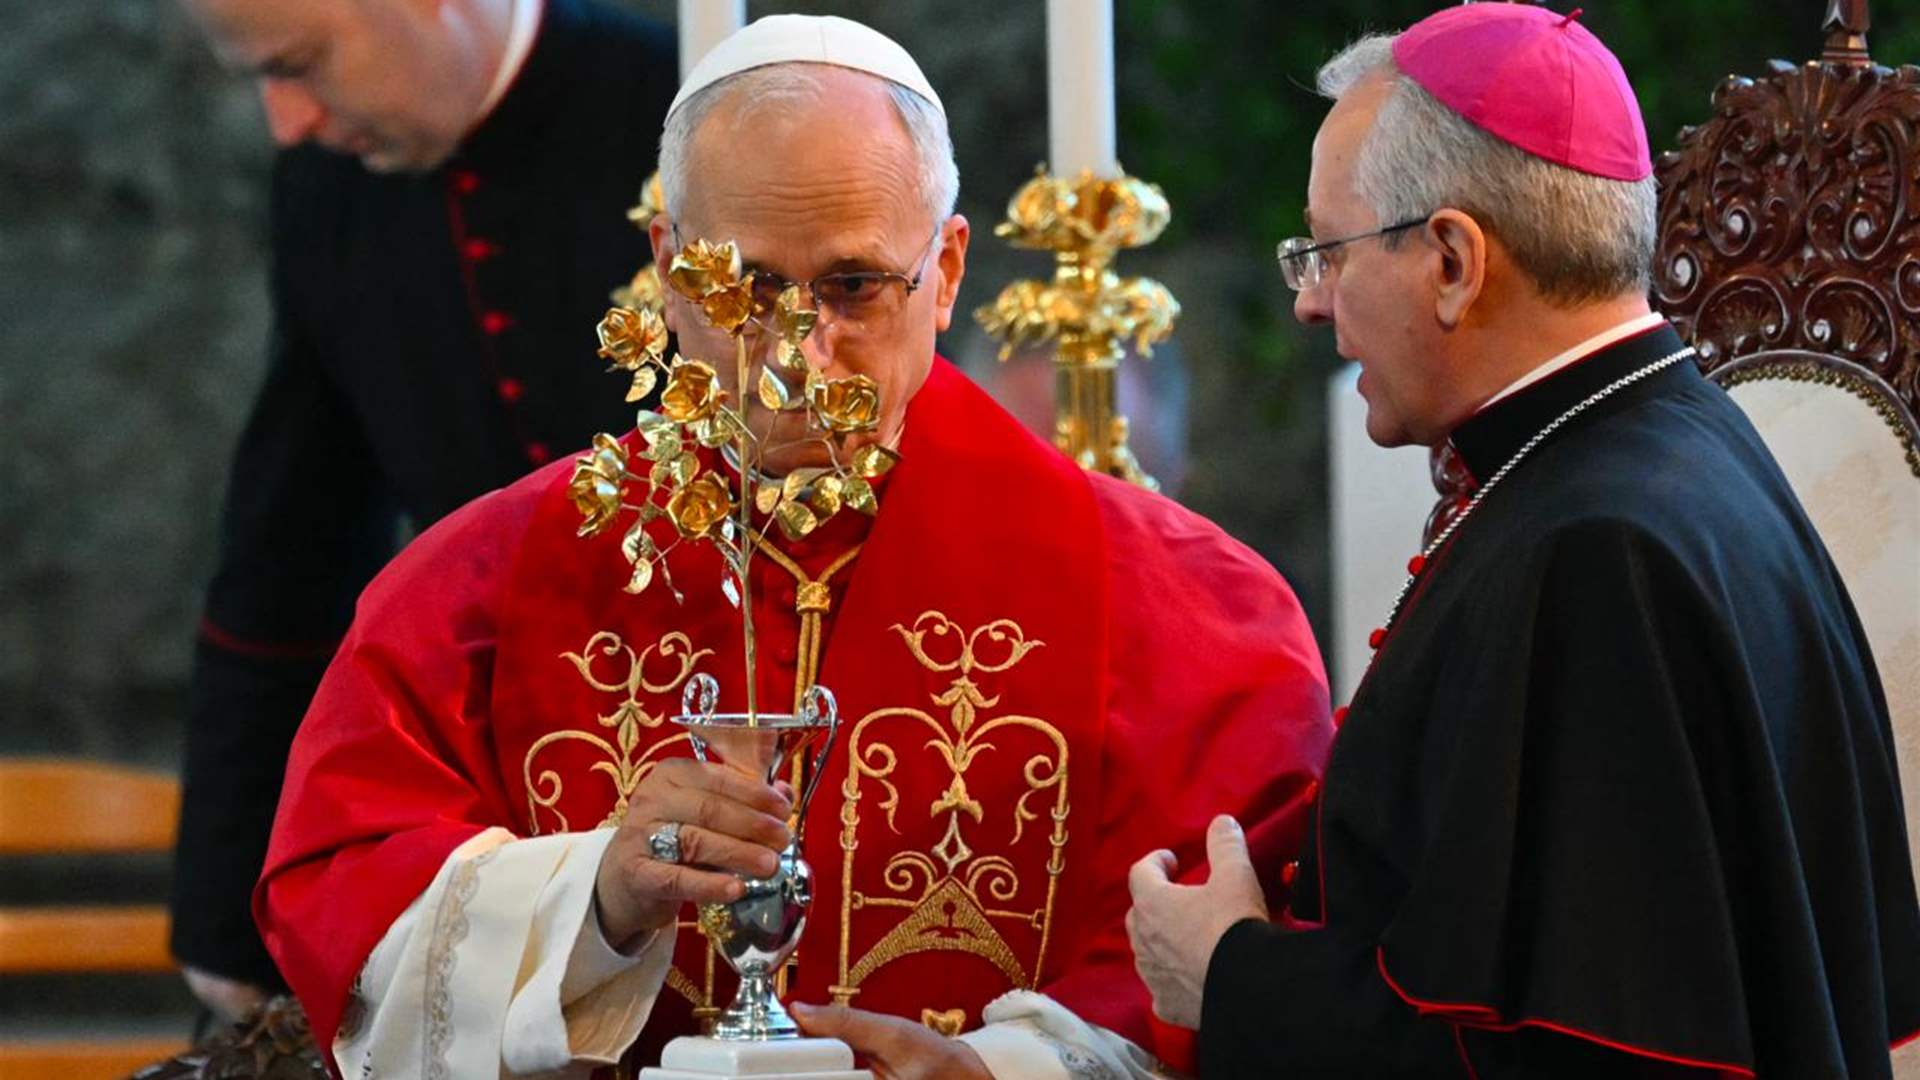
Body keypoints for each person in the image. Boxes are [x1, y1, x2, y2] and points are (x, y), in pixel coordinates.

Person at [255, 15, 1332, 1079]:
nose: (797, 352)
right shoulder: (476, 588)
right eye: (750, 287)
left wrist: (995, 1072)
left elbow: (1239, 943)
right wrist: (594, 898)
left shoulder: (1184, 604)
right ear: (669, 268)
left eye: (855, 286)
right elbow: (345, 901)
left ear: (947, 269)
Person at [1127, 6, 1920, 1077]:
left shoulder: (1597, 552)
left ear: (1453, 260)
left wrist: (1229, 975)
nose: (1312, 304)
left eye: (1325, 251)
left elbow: (1573, 1055)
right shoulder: (1674, 452)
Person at [169, 0, 676, 1023]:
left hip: (712, 769)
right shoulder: (329, 185)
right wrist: (230, 909)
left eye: (301, 64)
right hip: (480, 826)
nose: (288, 121)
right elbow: (292, 536)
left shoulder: (686, 108)